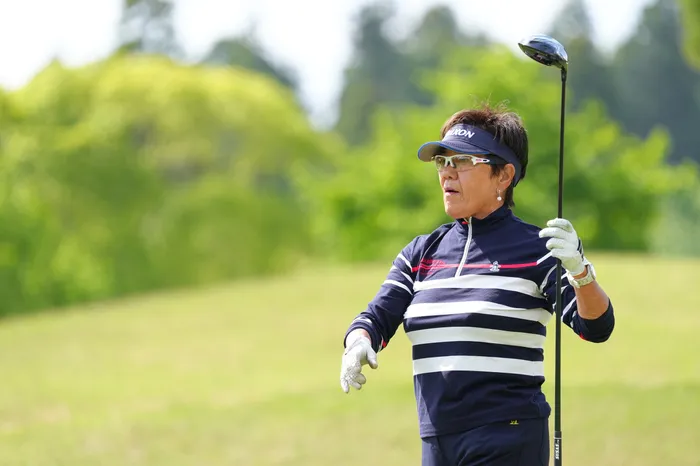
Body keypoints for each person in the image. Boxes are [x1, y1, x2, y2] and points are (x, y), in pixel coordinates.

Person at [338, 103, 615, 466]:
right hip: (437, 440)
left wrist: (581, 272)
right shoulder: (421, 253)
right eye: (443, 162)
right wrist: (358, 342)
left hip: (507, 435)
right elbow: (376, 317)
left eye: (463, 161)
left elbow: (596, 326)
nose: (447, 173)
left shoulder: (536, 249)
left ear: (504, 176)